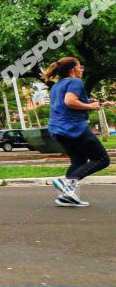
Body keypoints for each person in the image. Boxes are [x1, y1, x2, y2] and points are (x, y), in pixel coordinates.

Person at [44, 57, 113, 207]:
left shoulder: (57, 86)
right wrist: (91, 107)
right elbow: (69, 101)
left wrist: (92, 103)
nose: (82, 69)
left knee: (79, 161)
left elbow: (66, 103)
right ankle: (65, 181)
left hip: (57, 129)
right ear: (72, 70)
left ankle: (66, 195)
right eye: (79, 67)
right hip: (74, 128)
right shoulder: (75, 82)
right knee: (102, 160)